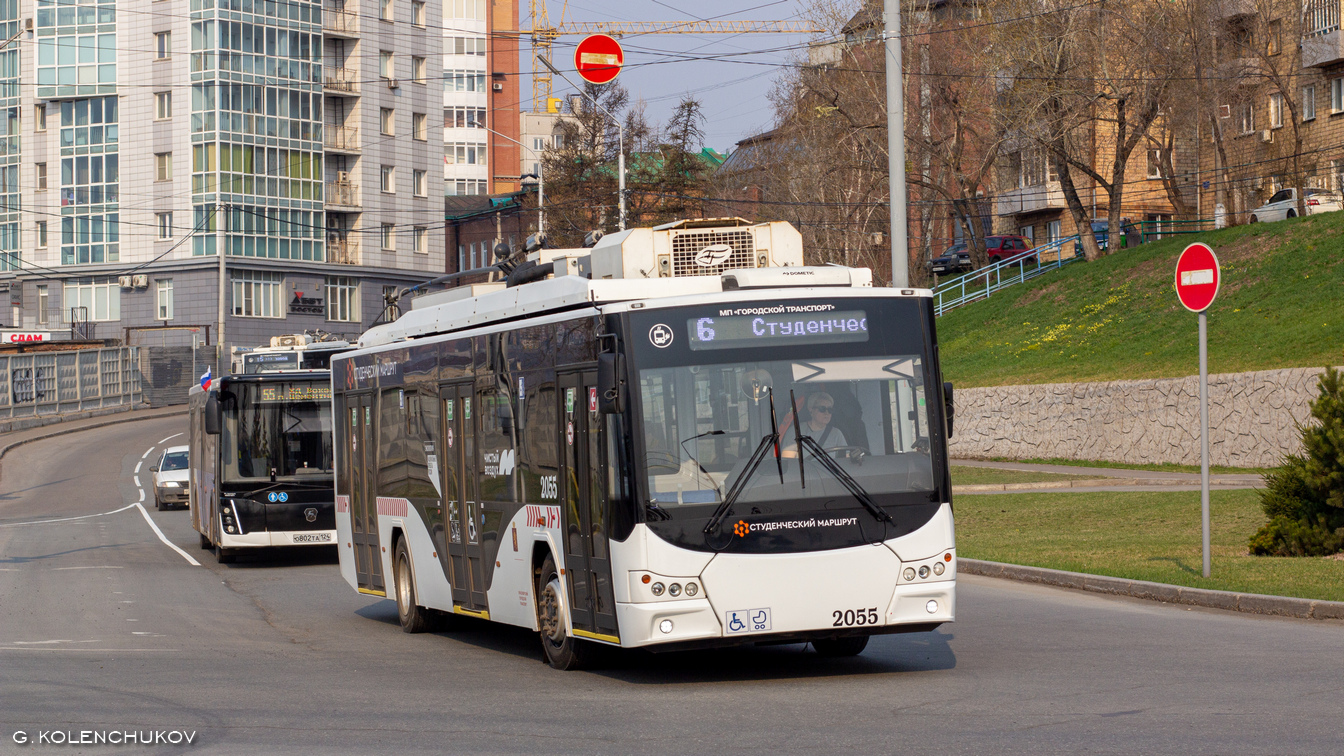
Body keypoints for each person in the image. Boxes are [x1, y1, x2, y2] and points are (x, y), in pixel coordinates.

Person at [782, 391, 847, 456]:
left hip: (829, 467)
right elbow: (788, 462)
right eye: (822, 409)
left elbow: (846, 460)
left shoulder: (837, 434)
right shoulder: (795, 432)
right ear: (811, 409)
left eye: (830, 410)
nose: (827, 413)